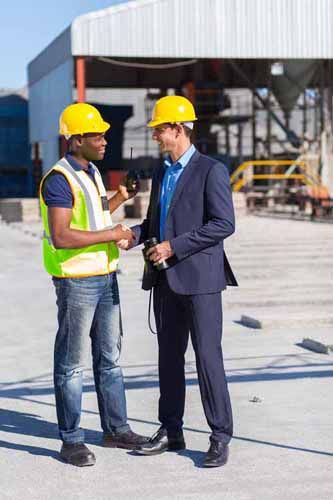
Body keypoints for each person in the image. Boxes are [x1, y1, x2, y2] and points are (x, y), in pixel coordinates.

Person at [121, 95, 237, 468]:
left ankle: (220, 436)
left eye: (159, 129)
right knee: (168, 359)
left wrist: (175, 246)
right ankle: (171, 430)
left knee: (207, 358)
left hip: (201, 279)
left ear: (178, 129)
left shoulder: (210, 170)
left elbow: (223, 224)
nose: (155, 135)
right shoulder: (162, 172)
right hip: (166, 281)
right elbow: (157, 224)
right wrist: (134, 235)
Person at [39, 103, 148, 467]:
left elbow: (99, 212)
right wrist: (113, 233)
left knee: (110, 359)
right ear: (75, 140)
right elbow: (61, 235)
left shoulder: (92, 172)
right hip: (76, 282)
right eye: (97, 135)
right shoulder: (59, 179)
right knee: (71, 365)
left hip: (105, 277)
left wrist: (122, 197)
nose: (104, 140)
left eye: (104, 134)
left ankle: (116, 429)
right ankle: (71, 441)